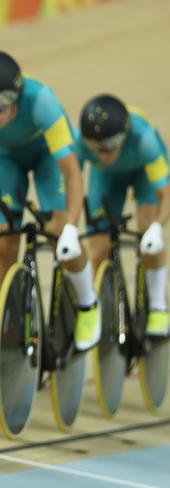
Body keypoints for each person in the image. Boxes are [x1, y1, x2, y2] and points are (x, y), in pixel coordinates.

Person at [0, 50, 99, 351]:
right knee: (2, 241)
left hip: (48, 156)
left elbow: (72, 173)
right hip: (2, 159)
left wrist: (72, 226)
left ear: (17, 96)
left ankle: (88, 304)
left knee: (59, 231)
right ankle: (14, 319)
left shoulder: (41, 101)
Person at [78, 94, 169, 336]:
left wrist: (158, 228)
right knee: (97, 249)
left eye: (111, 145)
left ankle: (159, 305)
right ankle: (110, 313)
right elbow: (70, 185)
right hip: (106, 178)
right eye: (97, 148)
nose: (104, 153)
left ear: (125, 135)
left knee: (147, 228)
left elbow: (166, 194)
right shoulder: (82, 143)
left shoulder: (145, 139)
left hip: (143, 175)